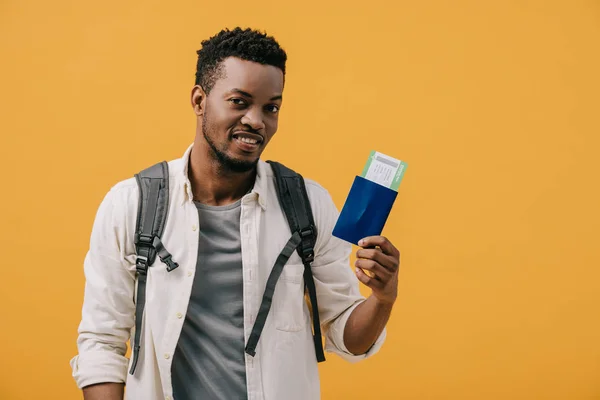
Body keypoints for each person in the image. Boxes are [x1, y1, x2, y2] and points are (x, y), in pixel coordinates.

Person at [70, 27, 401, 400]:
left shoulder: (308, 205)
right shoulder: (131, 204)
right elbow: (101, 342)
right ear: (199, 100)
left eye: (270, 107)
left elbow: (350, 338)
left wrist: (382, 298)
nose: (257, 121)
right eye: (239, 102)